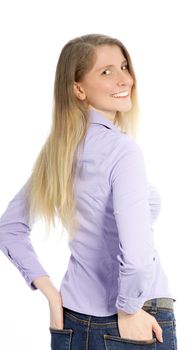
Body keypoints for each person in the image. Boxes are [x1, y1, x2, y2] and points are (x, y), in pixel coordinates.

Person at [0, 34, 177, 350]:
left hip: (72, 322)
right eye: (106, 71)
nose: (126, 79)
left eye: (124, 66)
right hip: (131, 321)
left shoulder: (59, 152)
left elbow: (9, 228)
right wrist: (129, 308)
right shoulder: (123, 151)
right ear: (78, 88)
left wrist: (54, 297)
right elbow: (136, 258)